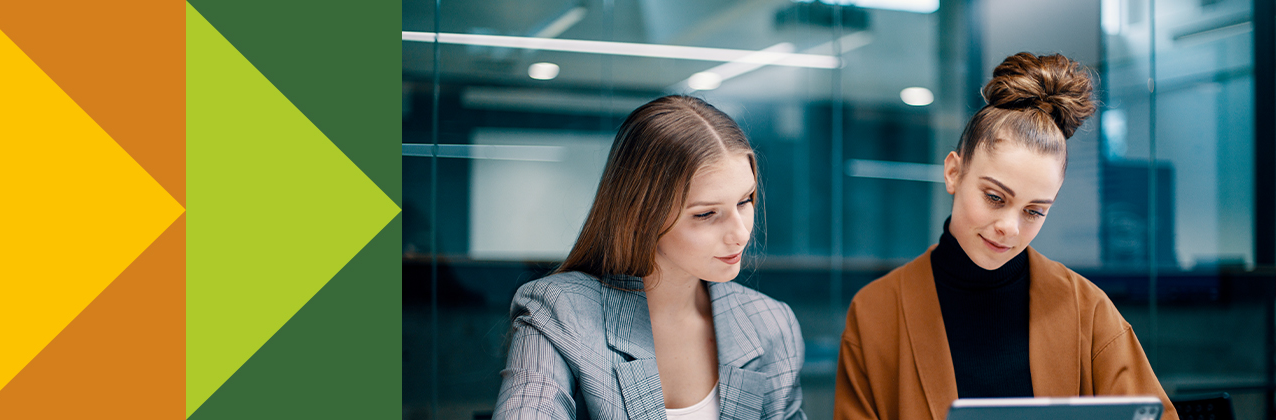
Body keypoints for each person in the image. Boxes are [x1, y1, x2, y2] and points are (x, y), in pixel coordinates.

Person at [833, 52, 1178, 420]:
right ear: (953, 172)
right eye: (995, 197)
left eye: (1034, 211)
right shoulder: (877, 314)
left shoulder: (1087, 311)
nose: (1010, 228)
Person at [494, 95, 806, 420]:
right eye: (706, 214)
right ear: (643, 215)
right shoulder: (561, 311)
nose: (740, 233)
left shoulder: (770, 324)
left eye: (744, 201)